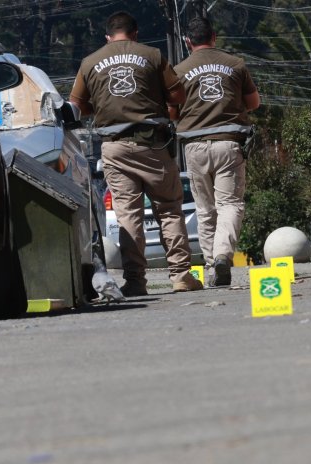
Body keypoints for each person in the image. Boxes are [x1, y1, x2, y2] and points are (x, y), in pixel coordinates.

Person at [69, 11, 202, 296]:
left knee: (128, 214)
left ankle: (135, 281)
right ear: (135, 33)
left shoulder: (90, 62)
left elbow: (76, 105)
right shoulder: (152, 55)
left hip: (114, 147)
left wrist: (102, 108)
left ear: (107, 37)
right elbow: (178, 96)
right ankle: (181, 275)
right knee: (168, 209)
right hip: (152, 144)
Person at [173, 17, 260, 287]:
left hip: (194, 146)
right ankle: (223, 255)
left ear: (188, 41)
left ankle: (213, 266)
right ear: (214, 37)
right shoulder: (235, 64)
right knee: (230, 204)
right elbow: (254, 103)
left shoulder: (178, 71)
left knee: (205, 209)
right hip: (229, 143)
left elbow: (171, 112)